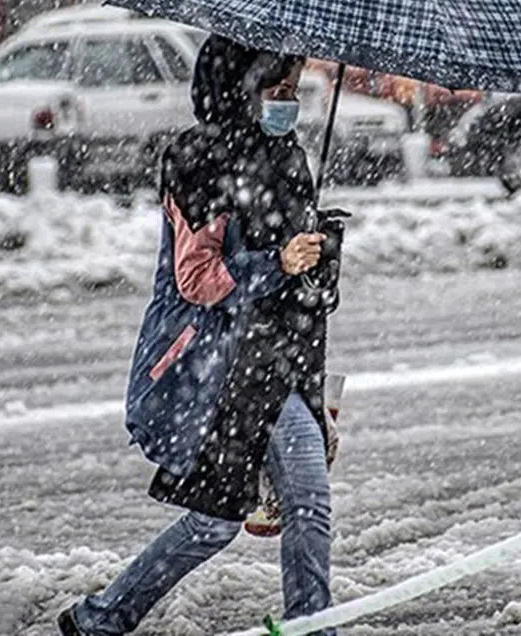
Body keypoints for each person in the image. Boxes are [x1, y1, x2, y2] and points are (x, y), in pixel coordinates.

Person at [57, 35, 344, 636]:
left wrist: (319, 260)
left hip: (277, 359)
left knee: (309, 501)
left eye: (293, 91)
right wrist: (276, 263)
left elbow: (299, 293)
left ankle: (310, 627)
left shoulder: (288, 157)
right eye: (276, 90)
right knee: (214, 522)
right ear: (238, 89)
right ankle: (102, 618)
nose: (285, 104)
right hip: (218, 368)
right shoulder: (199, 161)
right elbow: (197, 279)